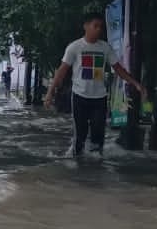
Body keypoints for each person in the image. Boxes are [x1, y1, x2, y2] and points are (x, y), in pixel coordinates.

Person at [44, 13, 147, 157]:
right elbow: (62, 70)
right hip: (79, 96)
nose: (99, 29)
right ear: (86, 26)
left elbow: (118, 69)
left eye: (101, 27)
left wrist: (136, 84)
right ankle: (77, 162)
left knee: (98, 134)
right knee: (80, 133)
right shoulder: (75, 47)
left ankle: (97, 165)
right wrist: (50, 92)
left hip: (99, 97)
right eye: (95, 26)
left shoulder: (105, 48)